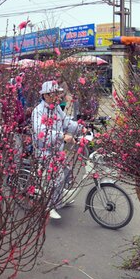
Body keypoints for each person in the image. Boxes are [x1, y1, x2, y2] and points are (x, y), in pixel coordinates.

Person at [31, 80, 84, 220]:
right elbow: (40, 132)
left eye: (58, 94)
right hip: (44, 152)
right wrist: (62, 136)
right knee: (57, 177)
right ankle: (50, 206)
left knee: (67, 171)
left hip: (57, 150)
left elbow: (66, 122)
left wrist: (80, 128)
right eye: (55, 94)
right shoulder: (38, 111)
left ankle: (60, 196)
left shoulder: (56, 108)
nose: (58, 96)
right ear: (46, 96)